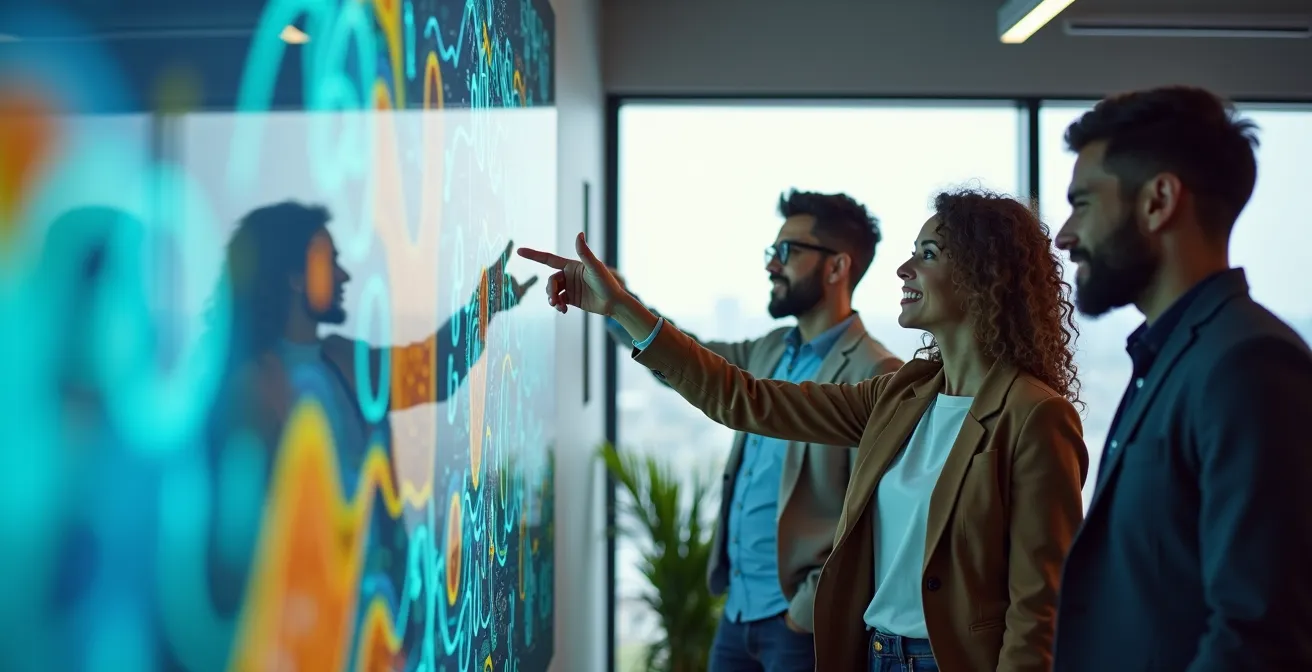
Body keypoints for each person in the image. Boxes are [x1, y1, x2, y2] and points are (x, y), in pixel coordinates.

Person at [521, 188, 1089, 671]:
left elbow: (1039, 607)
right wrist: (621, 307)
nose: (903, 269)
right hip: (873, 655)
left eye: (928, 254)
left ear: (983, 277)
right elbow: (743, 398)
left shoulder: (1035, 415)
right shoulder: (903, 394)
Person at [1051, 86, 1312, 670]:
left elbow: (1258, 634)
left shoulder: (1249, 364)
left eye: (1083, 203)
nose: (1065, 235)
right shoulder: (1171, 354)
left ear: (1159, 201)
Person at [607, 189, 902, 671]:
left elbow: (876, 520)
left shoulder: (877, 373)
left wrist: (804, 611)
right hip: (737, 613)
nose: (771, 265)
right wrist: (618, 306)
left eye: (787, 251)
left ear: (836, 267)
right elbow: (689, 363)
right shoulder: (771, 349)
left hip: (798, 626)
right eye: (773, 250)